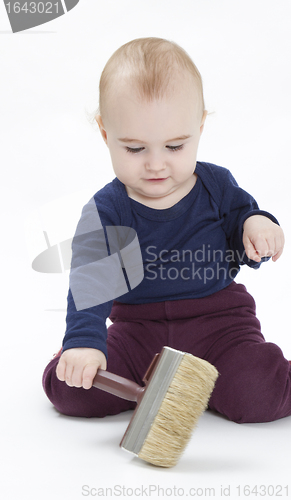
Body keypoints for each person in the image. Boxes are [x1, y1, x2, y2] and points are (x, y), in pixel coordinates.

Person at [42, 37, 289, 424]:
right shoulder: (109, 210)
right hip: (140, 332)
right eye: (135, 149)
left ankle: (234, 380)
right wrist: (84, 343)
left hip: (220, 327)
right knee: (75, 392)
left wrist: (256, 227)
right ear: (106, 135)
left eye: (175, 146)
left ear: (200, 127)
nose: (156, 164)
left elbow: (243, 222)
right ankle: (69, 360)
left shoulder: (216, 186)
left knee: (256, 394)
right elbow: (91, 284)